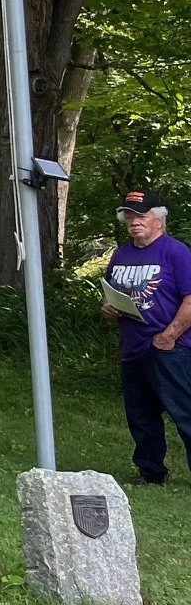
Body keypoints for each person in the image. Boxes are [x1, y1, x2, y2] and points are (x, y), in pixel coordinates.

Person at [101, 190, 191, 485]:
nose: (133, 221)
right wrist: (109, 308)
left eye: (140, 215)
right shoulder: (121, 254)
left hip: (169, 348)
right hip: (133, 347)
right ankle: (151, 472)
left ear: (158, 220)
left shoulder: (175, 252)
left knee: (184, 412)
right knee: (141, 416)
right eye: (129, 216)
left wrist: (170, 335)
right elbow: (113, 291)